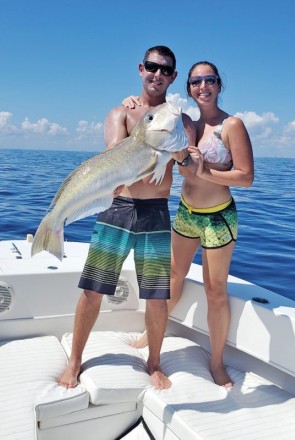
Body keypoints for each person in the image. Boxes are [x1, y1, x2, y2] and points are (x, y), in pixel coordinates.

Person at [58, 46, 196, 390]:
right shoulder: (121, 113)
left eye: (165, 70)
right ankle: (74, 361)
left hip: (157, 213)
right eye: (152, 67)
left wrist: (182, 155)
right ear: (140, 69)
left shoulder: (182, 121)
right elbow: (113, 159)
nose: (158, 74)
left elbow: (190, 168)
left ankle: (154, 363)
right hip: (117, 210)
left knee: (157, 296)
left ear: (174, 77)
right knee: (93, 291)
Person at [123, 60, 254, 388]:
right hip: (185, 213)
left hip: (218, 217)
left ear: (219, 85)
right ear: (189, 88)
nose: (203, 86)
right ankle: (150, 335)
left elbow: (246, 177)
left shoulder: (231, 125)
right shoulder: (189, 125)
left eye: (209, 80)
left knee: (215, 290)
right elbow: (159, 129)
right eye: (196, 82)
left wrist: (204, 172)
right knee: (173, 277)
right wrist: (134, 103)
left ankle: (216, 361)